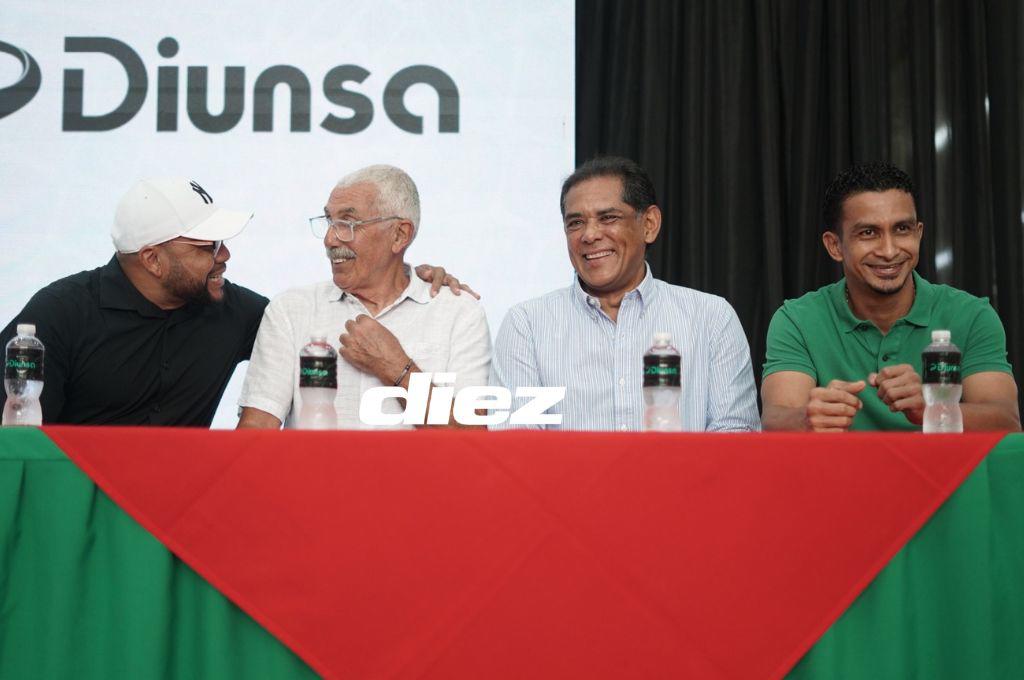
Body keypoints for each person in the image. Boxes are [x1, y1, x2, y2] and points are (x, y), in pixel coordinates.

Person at [0, 177, 474, 426]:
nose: (225, 255)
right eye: (207, 247)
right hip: (71, 516)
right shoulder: (58, 315)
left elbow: (320, 319)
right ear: (153, 260)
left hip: (177, 527)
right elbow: (17, 443)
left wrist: (404, 272)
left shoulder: (240, 312)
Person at [489, 156, 760, 431]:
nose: (589, 235)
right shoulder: (527, 325)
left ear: (649, 224)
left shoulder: (711, 318)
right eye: (575, 223)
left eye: (608, 218)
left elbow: (736, 438)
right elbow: (516, 446)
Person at [761, 161, 1020, 432]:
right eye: (868, 233)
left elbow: (1007, 421)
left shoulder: (971, 315)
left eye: (902, 229)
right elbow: (774, 419)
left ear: (918, 233)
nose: (889, 251)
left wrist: (933, 409)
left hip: (940, 463)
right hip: (838, 463)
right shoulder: (797, 320)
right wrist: (806, 419)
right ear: (834, 246)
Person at [237, 165, 491, 429]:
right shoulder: (291, 310)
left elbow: (471, 438)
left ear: (399, 235)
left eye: (347, 223)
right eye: (329, 221)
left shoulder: (458, 313)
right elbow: (254, 436)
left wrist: (395, 367)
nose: (329, 239)